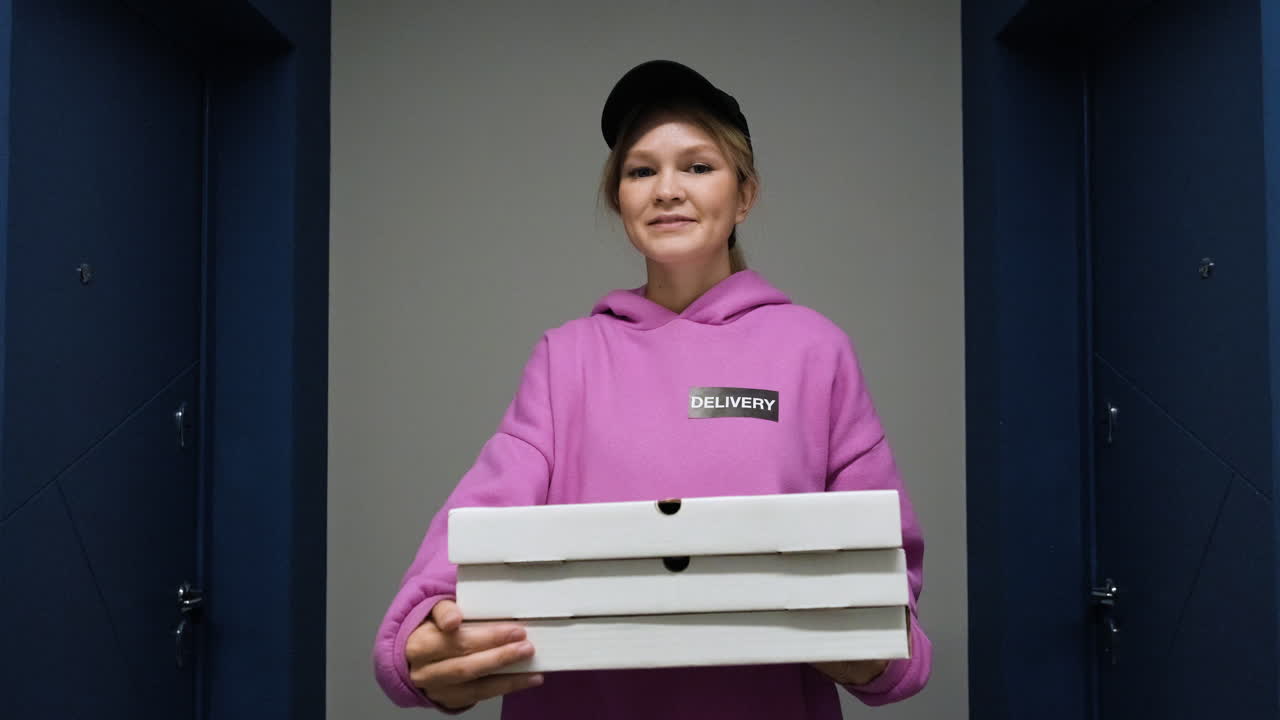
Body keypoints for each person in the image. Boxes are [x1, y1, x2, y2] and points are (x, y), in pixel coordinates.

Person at [372, 59, 932, 718]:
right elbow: (482, 515)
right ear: (620, 199)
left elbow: (889, 586)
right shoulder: (567, 357)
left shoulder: (816, 350)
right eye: (641, 171)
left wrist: (881, 647)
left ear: (745, 195)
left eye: (698, 166)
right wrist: (418, 632)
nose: (668, 190)